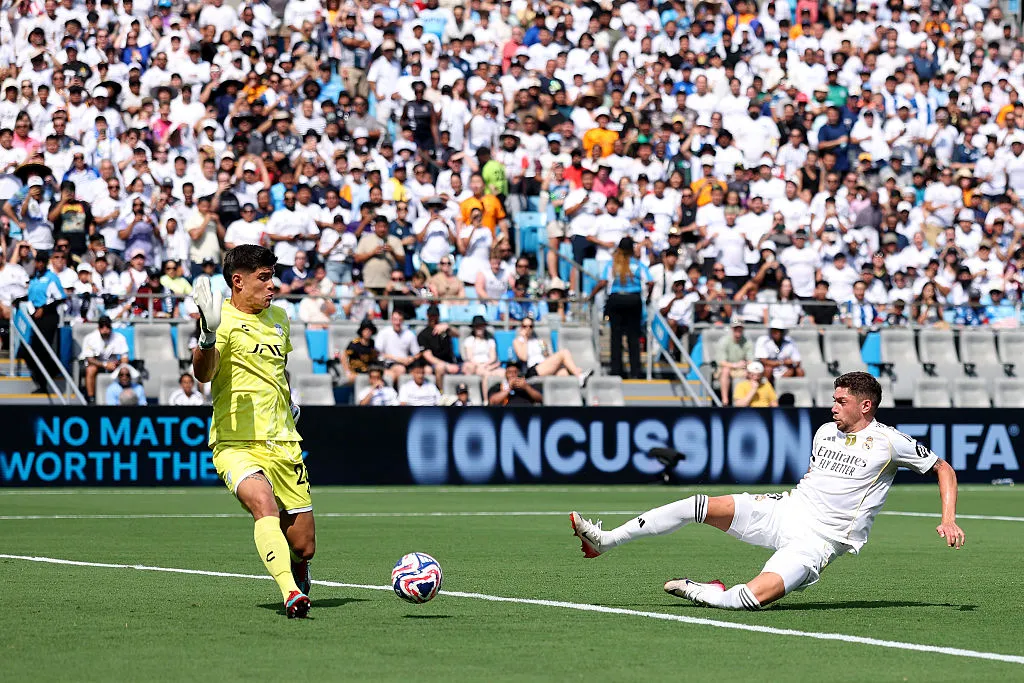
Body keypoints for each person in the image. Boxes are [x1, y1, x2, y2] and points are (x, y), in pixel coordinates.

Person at [571, 372, 965, 611]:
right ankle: (606, 540)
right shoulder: (825, 431)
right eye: (833, 399)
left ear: (866, 406)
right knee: (699, 504)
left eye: (841, 401)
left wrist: (948, 519)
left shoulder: (889, 441)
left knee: (750, 600)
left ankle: (704, 592)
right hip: (787, 510)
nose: (832, 407)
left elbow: (943, 469)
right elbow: (816, 477)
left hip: (821, 540)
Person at [191, 245, 313, 619]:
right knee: (265, 506)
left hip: (285, 441)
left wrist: (288, 399)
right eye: (263, 278)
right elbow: (203, 374)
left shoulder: (279, 317)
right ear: (238, 281)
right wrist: (208, 335)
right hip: (235, 441)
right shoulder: (218, 319)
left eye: (272, 276)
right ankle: (290, 593)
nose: (272, 285)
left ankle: (298, 568)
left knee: (304, 545)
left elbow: (280, 368)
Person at [592, 237, 650, 379]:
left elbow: (603, 282)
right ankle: (635, 371)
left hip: (616, 299)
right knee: (633, 336)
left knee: (616, 336)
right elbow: (650, 281)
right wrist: (647, 297)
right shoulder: (637, 264)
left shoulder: (612, 264)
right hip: (633, 299)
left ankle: (616, 370)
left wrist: (591, 295)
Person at [512, 317, 591, 385]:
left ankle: (579, 381)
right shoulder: (518, 341)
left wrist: (544, 349)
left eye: (530, 326)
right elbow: (523, 357)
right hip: (533, 369)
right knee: (564, 352)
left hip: (544, 366)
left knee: (565, 372)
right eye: (525, 326)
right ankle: (580, 375)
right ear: (521, 327)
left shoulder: (538, 341)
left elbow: (547, 356)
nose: (528, 329)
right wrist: (525, 339)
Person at [79, 315, 129, 404]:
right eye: (102, 326)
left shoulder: (119, 337)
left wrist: (119, 365)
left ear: (111, 327)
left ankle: (126, 398)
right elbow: (90, 359)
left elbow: (124, 357)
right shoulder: (90, 338)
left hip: (113, 365)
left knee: (125, 369)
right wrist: (105, 365)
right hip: (95, 365)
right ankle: (91, 399)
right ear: (98, 327)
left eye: (107, 326)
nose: (105, 329)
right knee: (91, 369)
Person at [715, 320, 754, 406]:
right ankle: (725, 401)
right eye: (736, 328)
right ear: (732, 329)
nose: (738, 331)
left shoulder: (747, 342)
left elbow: (750, 360)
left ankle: (746, 403)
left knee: (752, 373)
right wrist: (735, 365)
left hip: (742, 369)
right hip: (726, 368)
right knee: (725, 370)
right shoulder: (724, 341)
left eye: (740, 329)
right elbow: (721, 362)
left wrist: (746, 364)